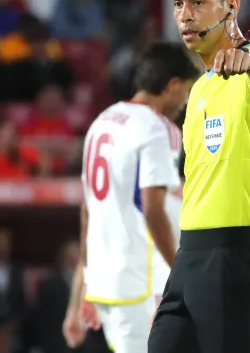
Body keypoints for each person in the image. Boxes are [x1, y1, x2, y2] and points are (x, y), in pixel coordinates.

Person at [148, 0, 250, 353]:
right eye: (178, 4)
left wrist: (248, 61)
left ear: (231, 7)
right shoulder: (199, 90)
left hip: (238, 257)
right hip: (189, 258)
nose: (184, 15)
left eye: (197, 2)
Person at [62, 42, 199, 353]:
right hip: (139, 285)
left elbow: (88, 212)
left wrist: (79, 291)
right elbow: (153, 209)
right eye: (187, 90)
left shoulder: (102, 122)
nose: (186, 101)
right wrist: (183, 275)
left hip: (104, 283)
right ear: (173, 85)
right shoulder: (157, 128)